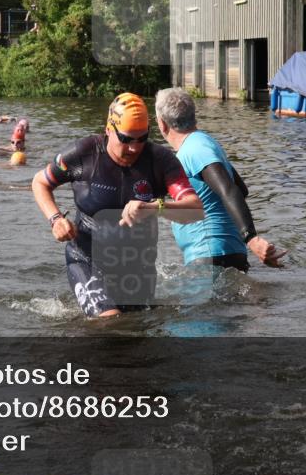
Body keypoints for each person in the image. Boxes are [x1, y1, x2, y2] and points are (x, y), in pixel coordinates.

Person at [31, 93, 204, 318]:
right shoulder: (83, 154)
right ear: (109, 130)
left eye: (142, 138)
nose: (134, 148)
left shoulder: (161, 160)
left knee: (140, 334)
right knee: (110, 320)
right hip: (87, 259)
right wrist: (55, 219)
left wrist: (155, 207)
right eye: (126, 139)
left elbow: (196, 210)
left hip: (139, 267)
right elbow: (40, 182)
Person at [154, 87, 285, 271]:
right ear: (194, 116)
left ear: (161, 123)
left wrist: (251, 238)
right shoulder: (204, 143)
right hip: (223, 253)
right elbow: (241, 189)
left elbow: (228, 190)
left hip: (211, 256)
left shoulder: (196, 149)